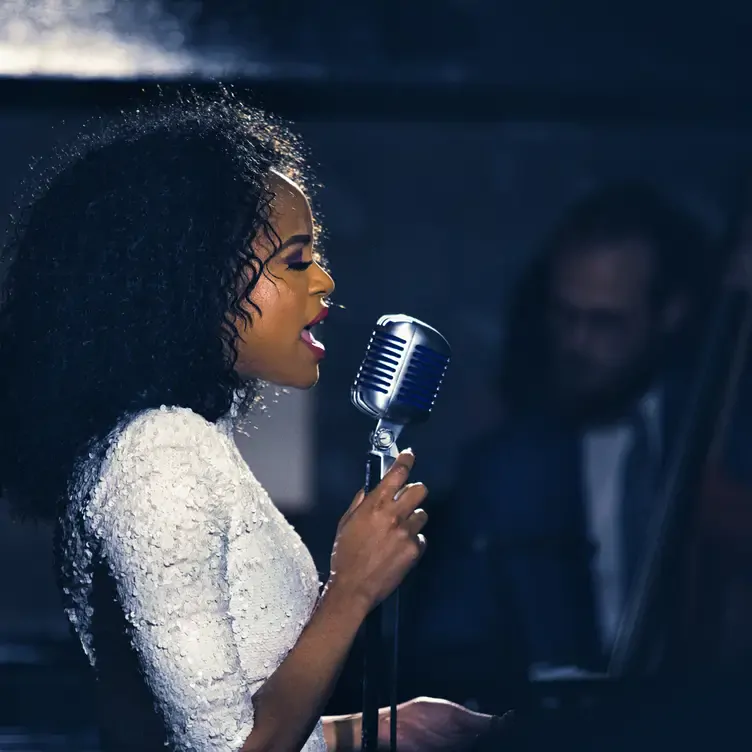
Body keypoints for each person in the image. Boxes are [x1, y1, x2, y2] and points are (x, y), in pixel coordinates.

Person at [0, 91, 499, 752]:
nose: (323, 282)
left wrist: (380, 732)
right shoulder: (160, 454)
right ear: (190, 275)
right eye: (295, 260)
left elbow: (222, 728)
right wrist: (350, 591)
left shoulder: (166, 442)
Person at [412, 183, 740, 689]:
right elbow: (453, 644)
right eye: (564, 316)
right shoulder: (501, 471)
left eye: (605, 323)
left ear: (670, 313)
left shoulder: (721, 435)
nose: (576, 343)